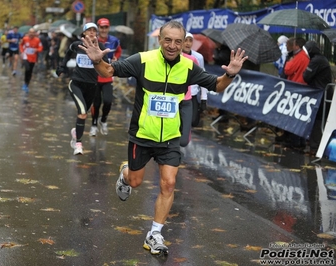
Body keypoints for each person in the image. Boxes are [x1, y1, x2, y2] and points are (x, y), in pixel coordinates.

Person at [79, 20, 247, 255]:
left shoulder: (189, 67)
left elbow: (217, 85)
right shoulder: (143, 60)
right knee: (135, 181)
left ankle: (155, 233)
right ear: (160, 40)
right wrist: (98, 59)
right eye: (168, 40)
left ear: (184, 43)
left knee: (168, 183)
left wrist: (229, 75)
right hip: (142, 135)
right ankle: (125, 174)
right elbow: (108, 71)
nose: (172, 45)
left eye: (178, 41)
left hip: (170, 137)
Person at [55, 22, 108, 155]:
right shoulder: (77, 45)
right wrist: (62, 67)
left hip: (92, 85)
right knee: (82, 112)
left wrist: (103, 61)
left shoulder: (100, 47)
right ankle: (78, 144)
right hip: (76, 83)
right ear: (83, 33)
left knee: (85, 114)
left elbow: (107, 64)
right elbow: (67, 54)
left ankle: (75, 132)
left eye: (94, 30)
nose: (91, 32)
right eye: (88, 30)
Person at [89, 18, 122, 136]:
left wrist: (116, 58)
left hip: (108, 75)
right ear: (98, 28)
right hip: (95, 76)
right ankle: (93, 125)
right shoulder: (93, 41)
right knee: (96, 103)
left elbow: (118, 51)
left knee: (108, 101)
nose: (103, 30)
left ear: (108, 28)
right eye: (101, 27)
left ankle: (103, 121)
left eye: (106, 27)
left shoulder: (114, 41)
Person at [276, 37, 309, 148]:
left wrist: (289, 62)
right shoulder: (301, 56)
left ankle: (295, 140)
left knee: (293, 116)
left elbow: (287, 70)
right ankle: (292, 138)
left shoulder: (299, 57)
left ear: (296, 46)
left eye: (289, 45)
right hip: (297, 87)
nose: (286, 46)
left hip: (296, 87)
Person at [302, 40, 333, 155]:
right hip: (322, 93)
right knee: (318, 120)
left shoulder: (316, 61)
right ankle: (315, 145)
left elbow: (306, 76)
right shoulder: (321, 59)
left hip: (321, 94)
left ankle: (316, 147)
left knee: (318, 120)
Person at [182, 32, 206, 127]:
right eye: (185, 40)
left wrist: (204, 98)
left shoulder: (198, 57)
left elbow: (203, 76)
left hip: (192, 95)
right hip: (178, 93)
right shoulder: (176, 55)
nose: (188, 43)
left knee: (193, 121)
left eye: (190, 41)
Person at [19, 28, 42, 93]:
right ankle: (25, 83)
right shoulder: (25, 39)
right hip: (26, 57)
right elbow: (21, 45)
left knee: (30, 71)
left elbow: (40, 48)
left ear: (34, 33)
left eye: (33, 32)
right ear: (28, 33)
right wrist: (22, 52)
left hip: (33, 58)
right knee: (27, 69)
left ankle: (27, 84)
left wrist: (36, 50)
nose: (31, 34)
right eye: (30, 32)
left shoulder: (37, 40)